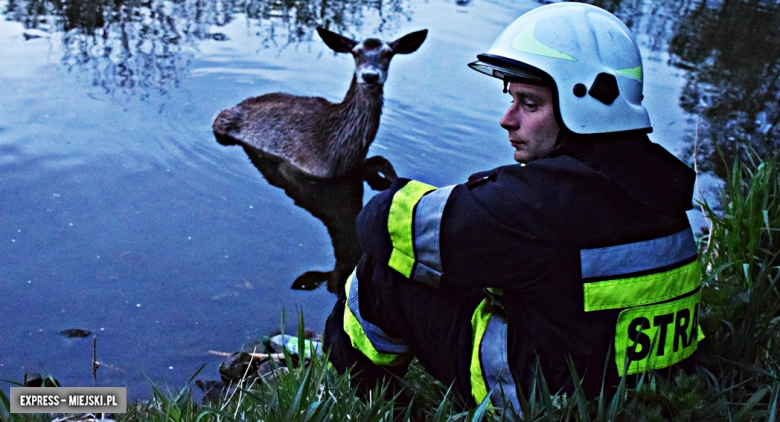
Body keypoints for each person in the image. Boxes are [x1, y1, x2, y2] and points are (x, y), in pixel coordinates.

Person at [323, 2, 703, 412]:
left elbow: (379, 221)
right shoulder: (660, 187)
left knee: (382, 273)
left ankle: (364, 401)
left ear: (583, 103)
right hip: (648, 394)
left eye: (530, 103)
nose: (508, 118)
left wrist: (438, 194)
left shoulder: (539, 204)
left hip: (549, 403)